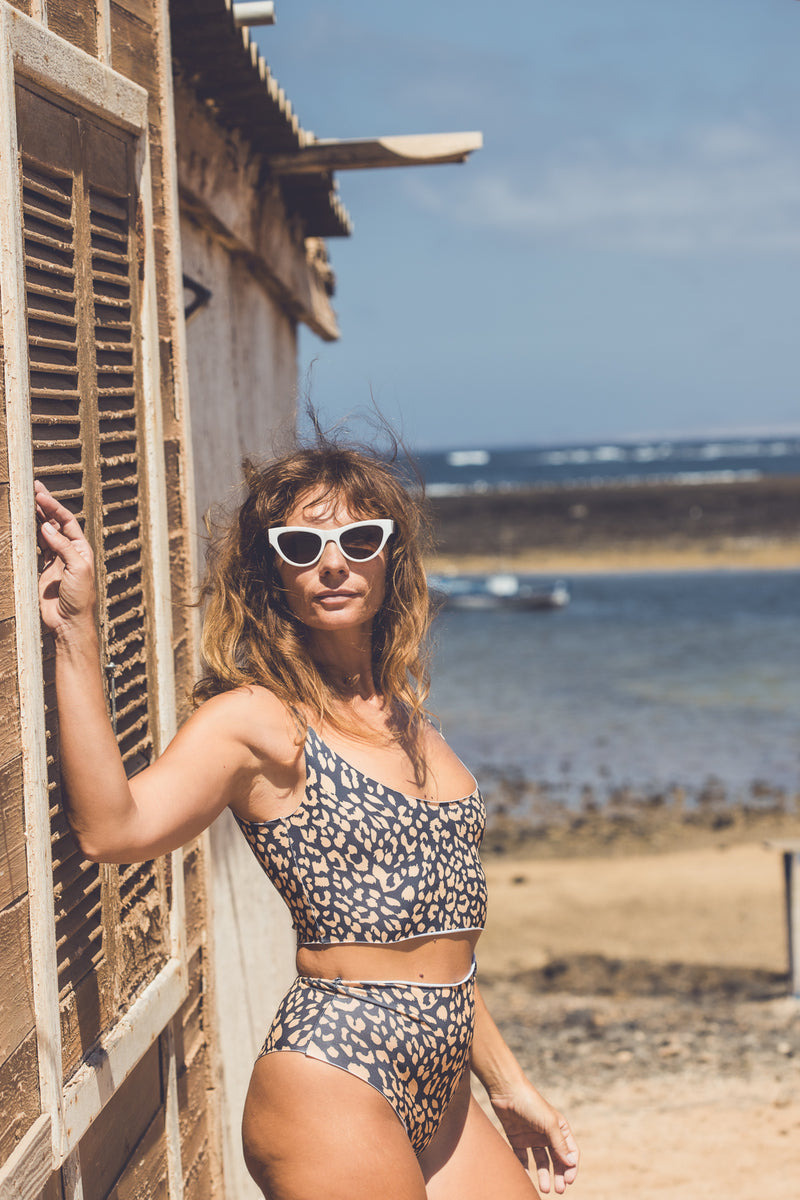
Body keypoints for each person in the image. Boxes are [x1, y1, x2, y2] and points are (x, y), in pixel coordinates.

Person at [34, 436, 579, 1200]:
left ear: (391, 558)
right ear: (274, 573)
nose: (333, 563)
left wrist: (510, 1084)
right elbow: (112, 828)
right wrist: (75, 633)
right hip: (333, 1077)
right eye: (301, 545)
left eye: (359, 540)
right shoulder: (258, 719)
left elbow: (433, 935)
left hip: (446, 1088)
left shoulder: (410, 720)